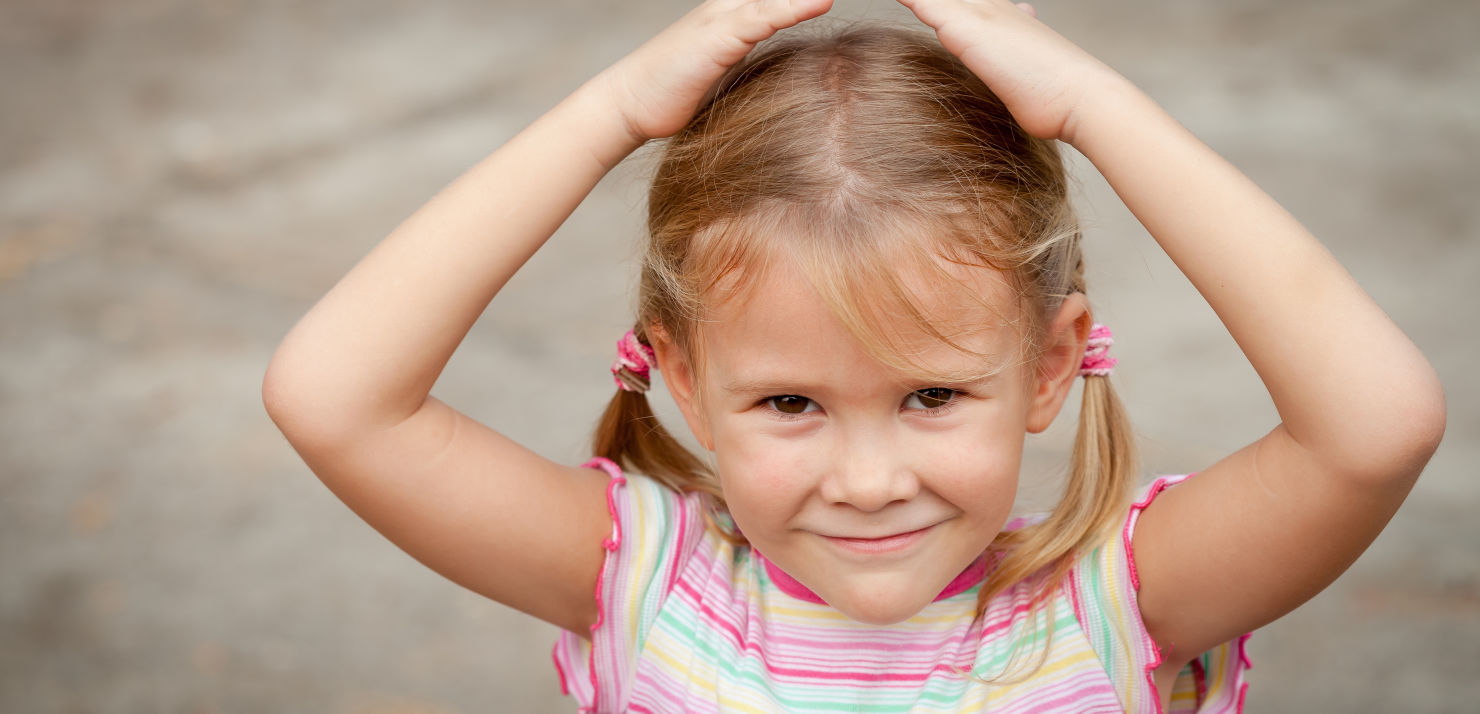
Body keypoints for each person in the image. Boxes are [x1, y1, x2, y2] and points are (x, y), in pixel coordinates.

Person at [261, 0, 1447, 711]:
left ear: (1048, 366)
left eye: (931, 394)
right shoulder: (646, 581)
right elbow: (334, 399)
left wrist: (1090, 101)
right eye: (789, 402)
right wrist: (613, 111)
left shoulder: (1111, 604)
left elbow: (1373, 427)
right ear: (678, 376)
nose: (869, 479)